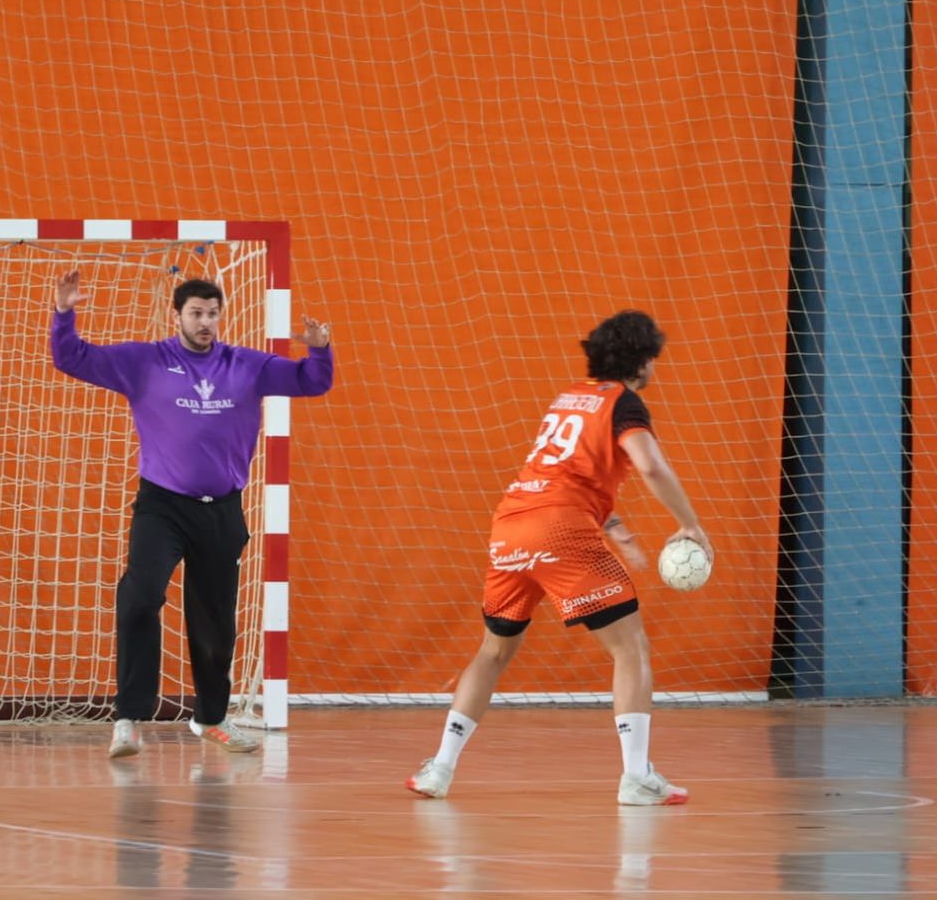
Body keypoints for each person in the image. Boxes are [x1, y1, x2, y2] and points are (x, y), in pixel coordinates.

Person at [405, 310, 712, 805]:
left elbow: (562, 473)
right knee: (629, 648)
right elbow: (650, 465)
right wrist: (690, 524)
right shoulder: (623, 403)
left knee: (493, 652)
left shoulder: (569, 398)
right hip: (563, 532)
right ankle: (637, 777)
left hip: (510, 526)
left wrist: (617, 529)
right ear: (640, 361)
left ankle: (439, 769)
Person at [50, 270, 334, 757]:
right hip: (162, 505)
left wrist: (319, 348)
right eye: (196, 314)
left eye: (212, 314)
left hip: (221, 511)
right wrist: (63, 313)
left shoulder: (248, 365)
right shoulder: (144, 361)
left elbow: (313, 382)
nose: (206, 322)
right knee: (140, 596)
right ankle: (128, 719)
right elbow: (72, 357)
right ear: (177, 316)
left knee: (216, 621)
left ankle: (212, 719)